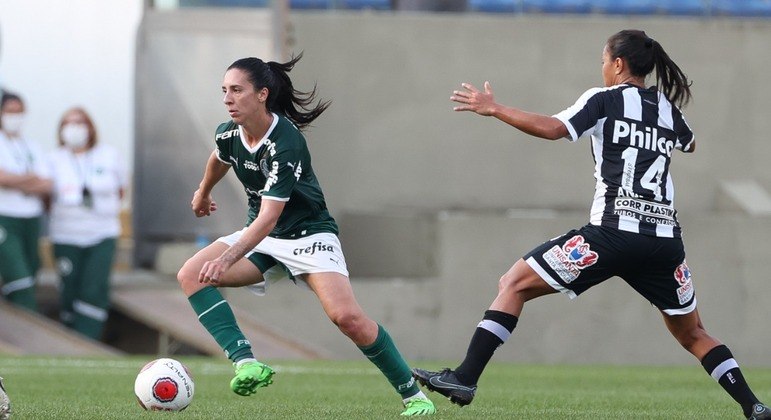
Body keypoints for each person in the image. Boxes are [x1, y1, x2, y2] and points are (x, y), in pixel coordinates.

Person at [412, 30, 770, 420]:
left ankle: (465, 378)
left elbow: (553, 128)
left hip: (611, 235)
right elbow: (690, 143)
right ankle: (753, 406)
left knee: (513, 284)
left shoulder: (603, 99)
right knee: (694, 333)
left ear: (618, 64)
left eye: (603, 60)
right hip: (664, 242)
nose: (601, 68)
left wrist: (494, 108)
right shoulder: (668, 109)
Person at [176, 53, 436, 416]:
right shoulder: (229, 133)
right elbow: (220, 156)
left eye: (236, 90)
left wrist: (226, 259)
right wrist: (203, 192)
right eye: (224, 91)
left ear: (262, 94)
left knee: (348, 318)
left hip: (308, 234)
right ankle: (246, 363)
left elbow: (270, 216)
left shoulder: (286, 141)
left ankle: (414, 396)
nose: (227, 99)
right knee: (190, 274)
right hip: (263, 235)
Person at [46, 107, 127, 339]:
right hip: (65, 234)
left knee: (94, 287)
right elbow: (46, 197)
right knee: (68, 288)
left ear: (90, 127)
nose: (75, 128)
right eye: (69, 123)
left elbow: (121, 190)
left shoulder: (108, 154)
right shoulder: (53, 158)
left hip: (101, 233)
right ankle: (69, 338)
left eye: (80, 122)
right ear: (61, 130)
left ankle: (88, 337)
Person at [0, 91, 52, 311]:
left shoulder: (31, 146)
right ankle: (29, 328)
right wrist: (29, 178)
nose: (15, 116)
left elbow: (47, 184)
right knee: (18, 275)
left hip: (31, 219)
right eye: (10, 111)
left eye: (19, 111)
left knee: (31, 270)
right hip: (5, 218)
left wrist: (14, 180)